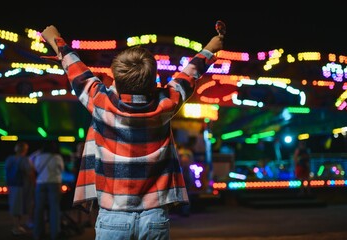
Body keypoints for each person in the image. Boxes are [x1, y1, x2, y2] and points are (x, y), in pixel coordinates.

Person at [41, 24, 223, 239]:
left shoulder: (101, 103)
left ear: (116, 80)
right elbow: (189, 74)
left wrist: (57, 40)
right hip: (155, 216)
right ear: (153, 81)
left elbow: (76, 70)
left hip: (113, 217)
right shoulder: (165, 104)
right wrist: (211, 47)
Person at [29, 141, 65, 240]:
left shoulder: (39, 157)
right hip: (54, 184)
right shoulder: (57, 157)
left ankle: (38, 234)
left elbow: (35, 167)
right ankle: (55, 234)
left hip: (41, 184)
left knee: (39, 209)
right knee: (54, 209)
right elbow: (61, 169)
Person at [4, 141, 34, 235]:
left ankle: (16, 226)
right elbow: (30, 172)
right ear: (24, 150)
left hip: (12, 185)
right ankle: (16, 227)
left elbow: (7, 171)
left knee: (14, 206)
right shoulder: (25, 159)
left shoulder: (9, 159)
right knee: (21, 206)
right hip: (22, 186)